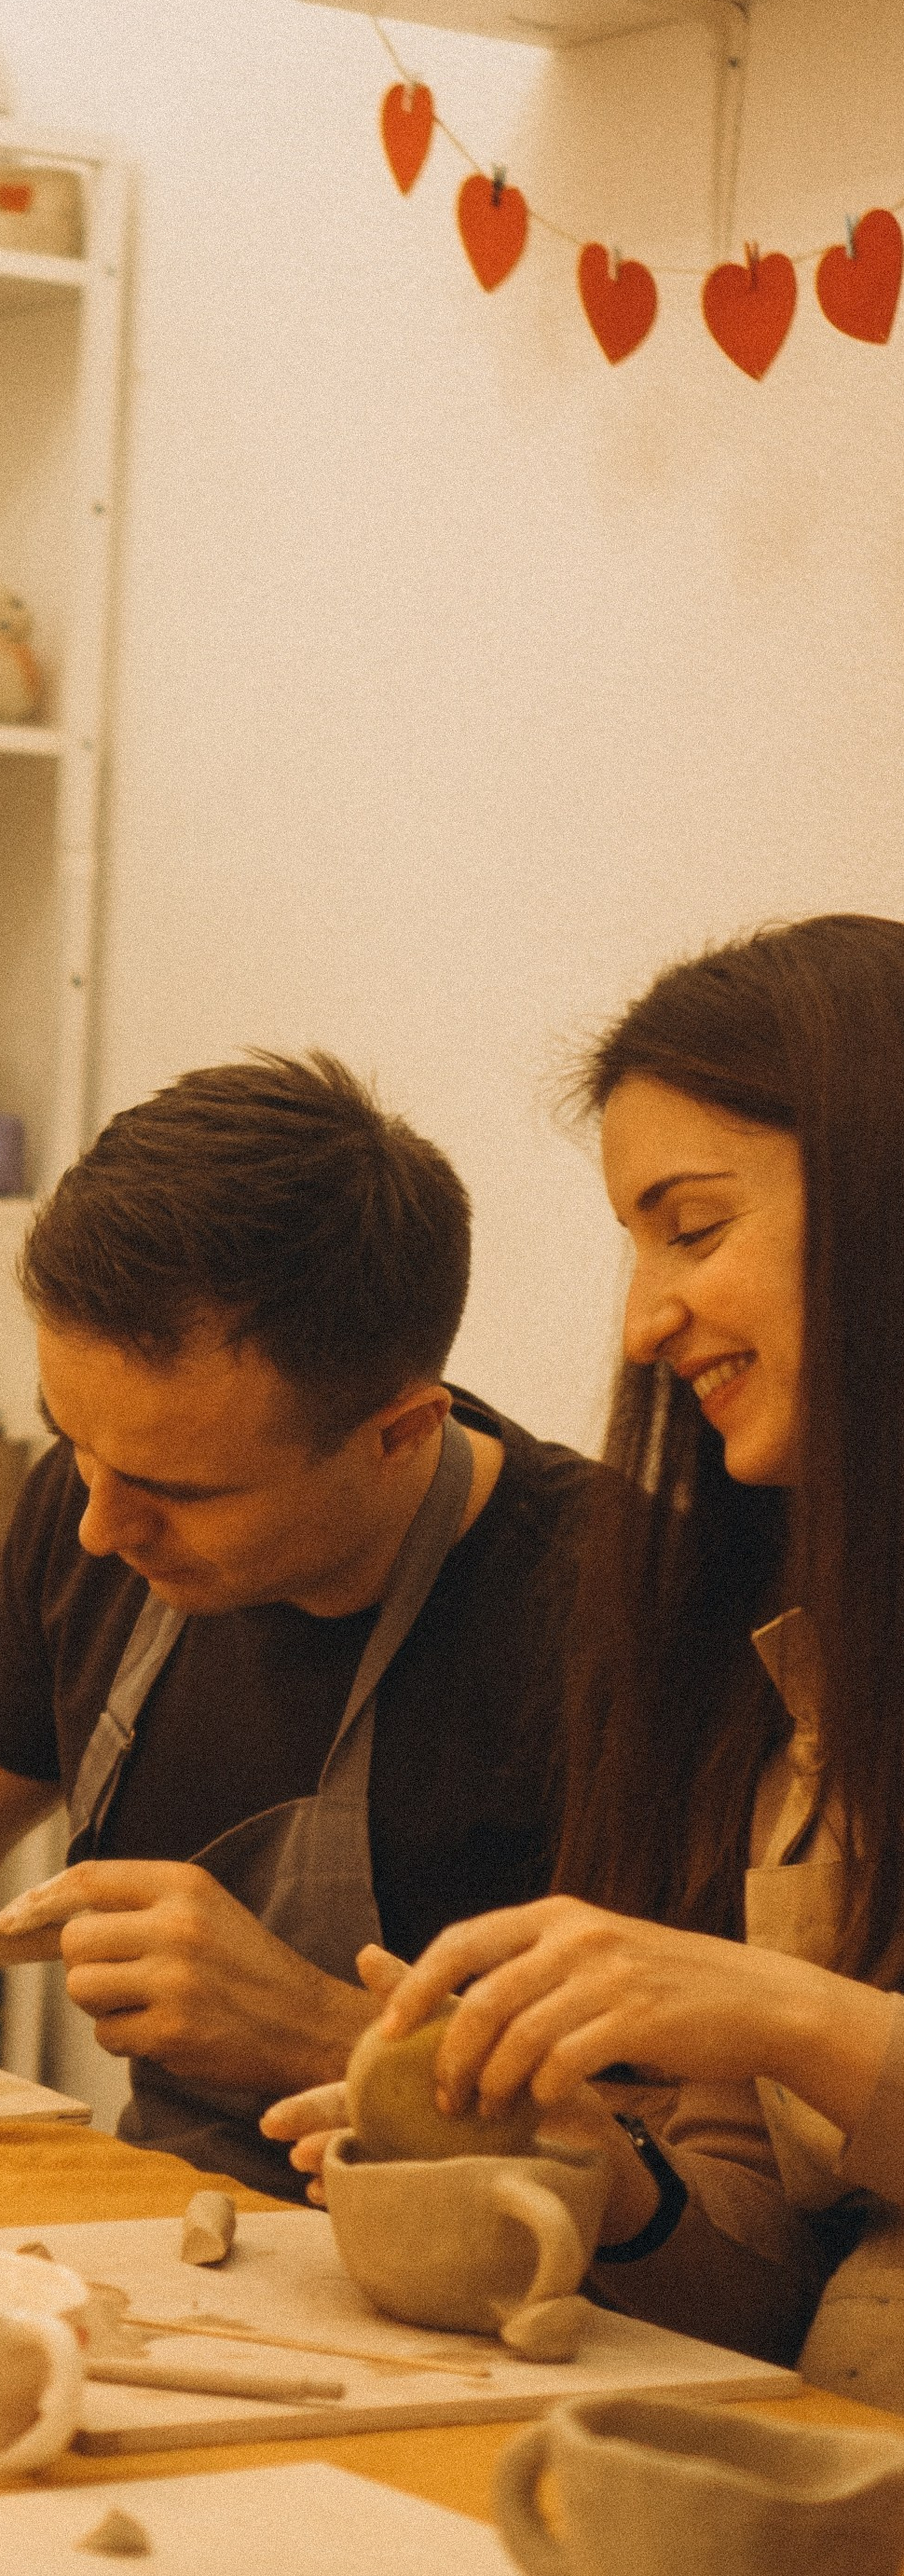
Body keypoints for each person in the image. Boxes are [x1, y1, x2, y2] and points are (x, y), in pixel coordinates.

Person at [0, 1052, 592, 2193]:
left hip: (489, 2296)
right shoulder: (99, 1504)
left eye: (179, 1490)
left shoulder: (603, 1608)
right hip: (175, 2230)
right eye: (73, 1442)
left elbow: (707, 2175)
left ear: (399, 1433)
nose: (97, 1526)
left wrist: (324, 2029)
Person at [262, 915, 904, 2393]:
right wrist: (597, 2176)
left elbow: (801, 2044)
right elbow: (755, 2291)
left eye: (691, 1227)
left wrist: (785, 2013)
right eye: (633, 1244)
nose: (638, 1325)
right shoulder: (792, 1670)